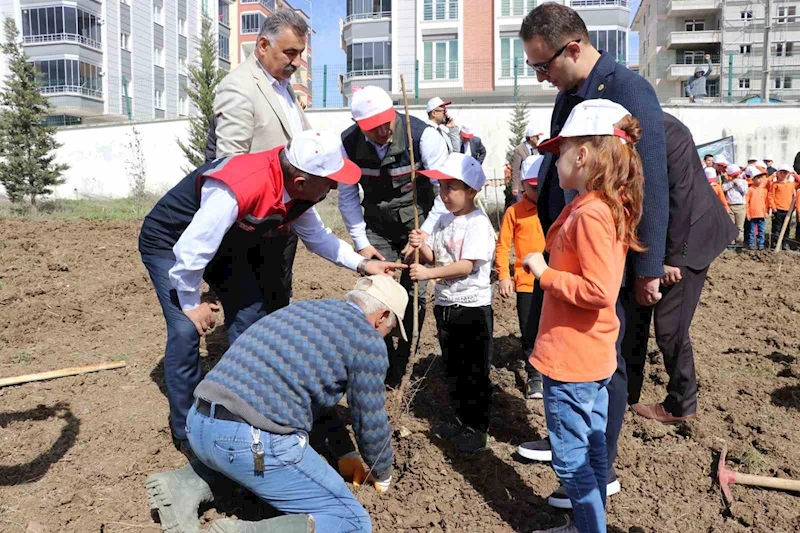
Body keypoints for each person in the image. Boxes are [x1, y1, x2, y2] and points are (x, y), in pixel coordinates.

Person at [138, 130, 403, 458]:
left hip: (223, 245)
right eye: (331, 180)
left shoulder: (299, 191)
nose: (335, 187)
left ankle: (248, 404)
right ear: (302, 182)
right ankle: (186, 430)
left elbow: (318, 238)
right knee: (184, 328)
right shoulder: (238, 187)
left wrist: (363, 264)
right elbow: (191, 251)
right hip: (171, 242)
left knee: (250, 319)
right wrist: (191, 303)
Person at [517, 3, 669, 509]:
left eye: (545, 66)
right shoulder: (570, 94)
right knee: (573, 350)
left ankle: (594, 464)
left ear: (574, 48)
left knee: (608, 359)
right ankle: (571, 444)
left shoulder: (627, 92)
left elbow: (650, 181)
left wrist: (648, 268)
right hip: (568, 244)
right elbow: (552, 160)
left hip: (606, 253)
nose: (541, 78)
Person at [156, 275, 406, 533]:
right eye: (390, 329)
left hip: (198, 423)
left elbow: (311, 396)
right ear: (382, 315)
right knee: (352, 522)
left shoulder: (306, 309)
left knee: (242, 461)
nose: (386, 336)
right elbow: (369, 419)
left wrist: (345, 451)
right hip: (248, 441)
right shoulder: (368, 340)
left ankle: (187, 482)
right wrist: (382, 472)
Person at [522, 100, 645, 533]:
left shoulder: (592, 212)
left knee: (571, 458)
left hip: (572, 361)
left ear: (582, 155)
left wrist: (543, 271)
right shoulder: (598, 206)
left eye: (560, 150)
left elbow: (598, 290)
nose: (553, 160)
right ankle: (587, 525)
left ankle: (588, 528)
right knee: (591, 449)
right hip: (590, 355)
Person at [625, 113, 737, 423]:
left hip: (690, 238)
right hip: (654, 239)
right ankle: (626, 394)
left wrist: (671, 259)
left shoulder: (668, 132)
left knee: (670, 327)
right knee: (635, 317)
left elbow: (679, 196)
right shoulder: (625, 128)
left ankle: (681, 404)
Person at [208, 9, 311, 339]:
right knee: (248, 317)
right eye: (290, 53)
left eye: (300, 53)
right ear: (263, 44)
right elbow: (231, 166)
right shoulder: (238, 88)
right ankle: (241, 385)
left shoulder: (283, 87)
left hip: (282, 220)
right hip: (252, 226)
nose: (296, 62)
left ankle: (271, 377)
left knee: (277, 304)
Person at [339, 86, 449, 387]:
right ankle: (382, 357)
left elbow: (444, 191)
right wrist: (361, 243)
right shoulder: (347, 144)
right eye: (374, 128)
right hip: (377, 227)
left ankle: (406, 359)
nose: (385, 130)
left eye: (388, 122)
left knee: (415, 291)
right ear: (359, 126)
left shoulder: (422, 136)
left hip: (418, 223)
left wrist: (426, 232)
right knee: (378, 292)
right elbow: (348, 196)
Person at [407, 153, 497, 453]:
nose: (445, 194)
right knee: (454, 368)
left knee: (474, 371)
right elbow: (440, 256)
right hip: (446, 304)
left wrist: (429, 272)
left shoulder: (478, 224)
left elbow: (465, 266)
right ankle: (460, 420)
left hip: (471, 308)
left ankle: (477, 428)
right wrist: (424, 247)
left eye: (452, 188)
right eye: (442, 186)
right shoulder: (444, 221)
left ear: (472, 191)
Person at [496, 155, 546, 400]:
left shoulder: (554, 209)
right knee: (529, 329)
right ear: (523, 184)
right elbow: (503, 246)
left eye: (541, 186)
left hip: (552, 278)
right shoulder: (514, 212)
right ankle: (534, 375)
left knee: (551, 328)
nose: (537, 191)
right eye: (533, 186)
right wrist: (504, 275)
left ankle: (552, 372)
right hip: (526, 282)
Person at [769, 164, 797, 250]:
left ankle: (785, 244)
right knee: (777, 228)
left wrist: (794, 174)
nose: (783, 175)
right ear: (777, 173)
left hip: (788, 210)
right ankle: (776, 244)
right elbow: (770, 196)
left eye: (785, 173)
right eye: (781, 172)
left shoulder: (792, 184)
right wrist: (773, 207)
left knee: (787, 229)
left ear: (788, 174)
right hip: (778, 209)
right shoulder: (775, 184)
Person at [511, 124, 543, 200]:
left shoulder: (537, 149)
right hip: (522, 187)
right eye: (537, 137)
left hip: (534, 184)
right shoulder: (519, 150)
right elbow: (515, 169)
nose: (538, 139)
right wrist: (515, 187)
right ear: (531, 138)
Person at [721, 162, 748, 245]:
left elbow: (745, 191)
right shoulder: (727, 182)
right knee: (731, 225)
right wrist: (731, 182)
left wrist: (738, 183)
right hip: (730, 205)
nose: (735, 176)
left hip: (740, 206)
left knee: (739, 226)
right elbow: (723, 188)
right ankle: (731, 241)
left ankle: (739, 241)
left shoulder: (743, 182)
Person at [745, 169, 769, 251]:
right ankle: (751, 243)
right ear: (753, 179)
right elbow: (747, 202)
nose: (760, 179)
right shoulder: (750, 190)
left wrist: (766, 212)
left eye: (761, 177)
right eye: (758, 178)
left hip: (761, 214)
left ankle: (761, 244)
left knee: (761, 230)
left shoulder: (764, 190)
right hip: (753, 214)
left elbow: (766, 202)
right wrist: (747, 213)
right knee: (751, 230)